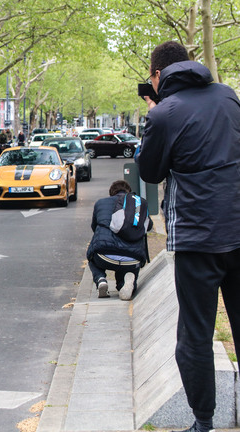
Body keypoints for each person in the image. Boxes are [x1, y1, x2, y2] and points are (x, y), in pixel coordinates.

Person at [136, 41, 240, 432]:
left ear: (158, 76)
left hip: (197, 240)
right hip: (238, 227)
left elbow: (150, 172)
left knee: (195, 335)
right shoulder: (228, 96)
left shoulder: (164, 114)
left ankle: (204, 421)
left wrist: (153, 119)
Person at [86, 180, 152, 300]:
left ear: (111, 193)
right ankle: (125, 282)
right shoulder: (136, 205)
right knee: (126, 270)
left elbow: (94, 227)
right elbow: (149, 226)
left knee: (92, 256)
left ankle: (101, 279)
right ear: (129, 193)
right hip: (132, 258)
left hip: (104, 256)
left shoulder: (101, 203)